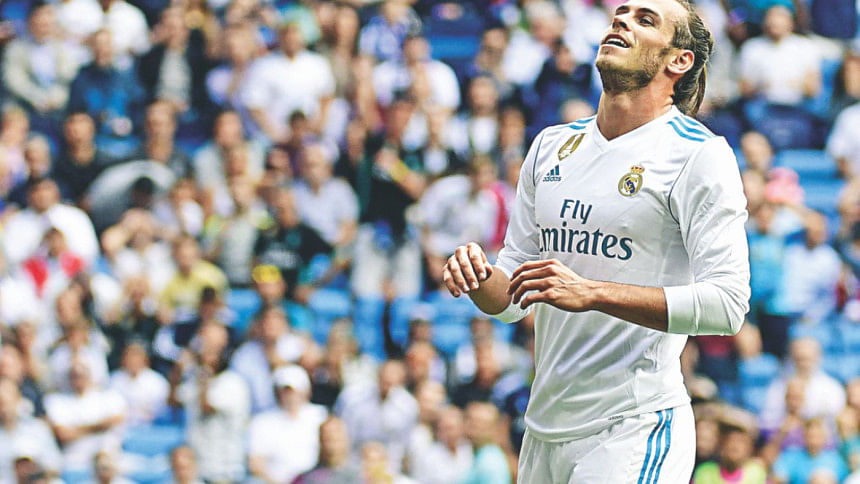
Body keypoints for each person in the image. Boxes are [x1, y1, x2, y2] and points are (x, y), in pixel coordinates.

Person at [441, 0, 751, 481]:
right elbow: (512, 300)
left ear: (679, 60)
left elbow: (727, 306)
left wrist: (592, 293)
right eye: (620, 13)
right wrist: (481, 277)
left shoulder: (699, 156)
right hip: (544, 430)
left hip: (634, 427)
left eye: (645, 19)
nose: (621, 20)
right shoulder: (550, 146)